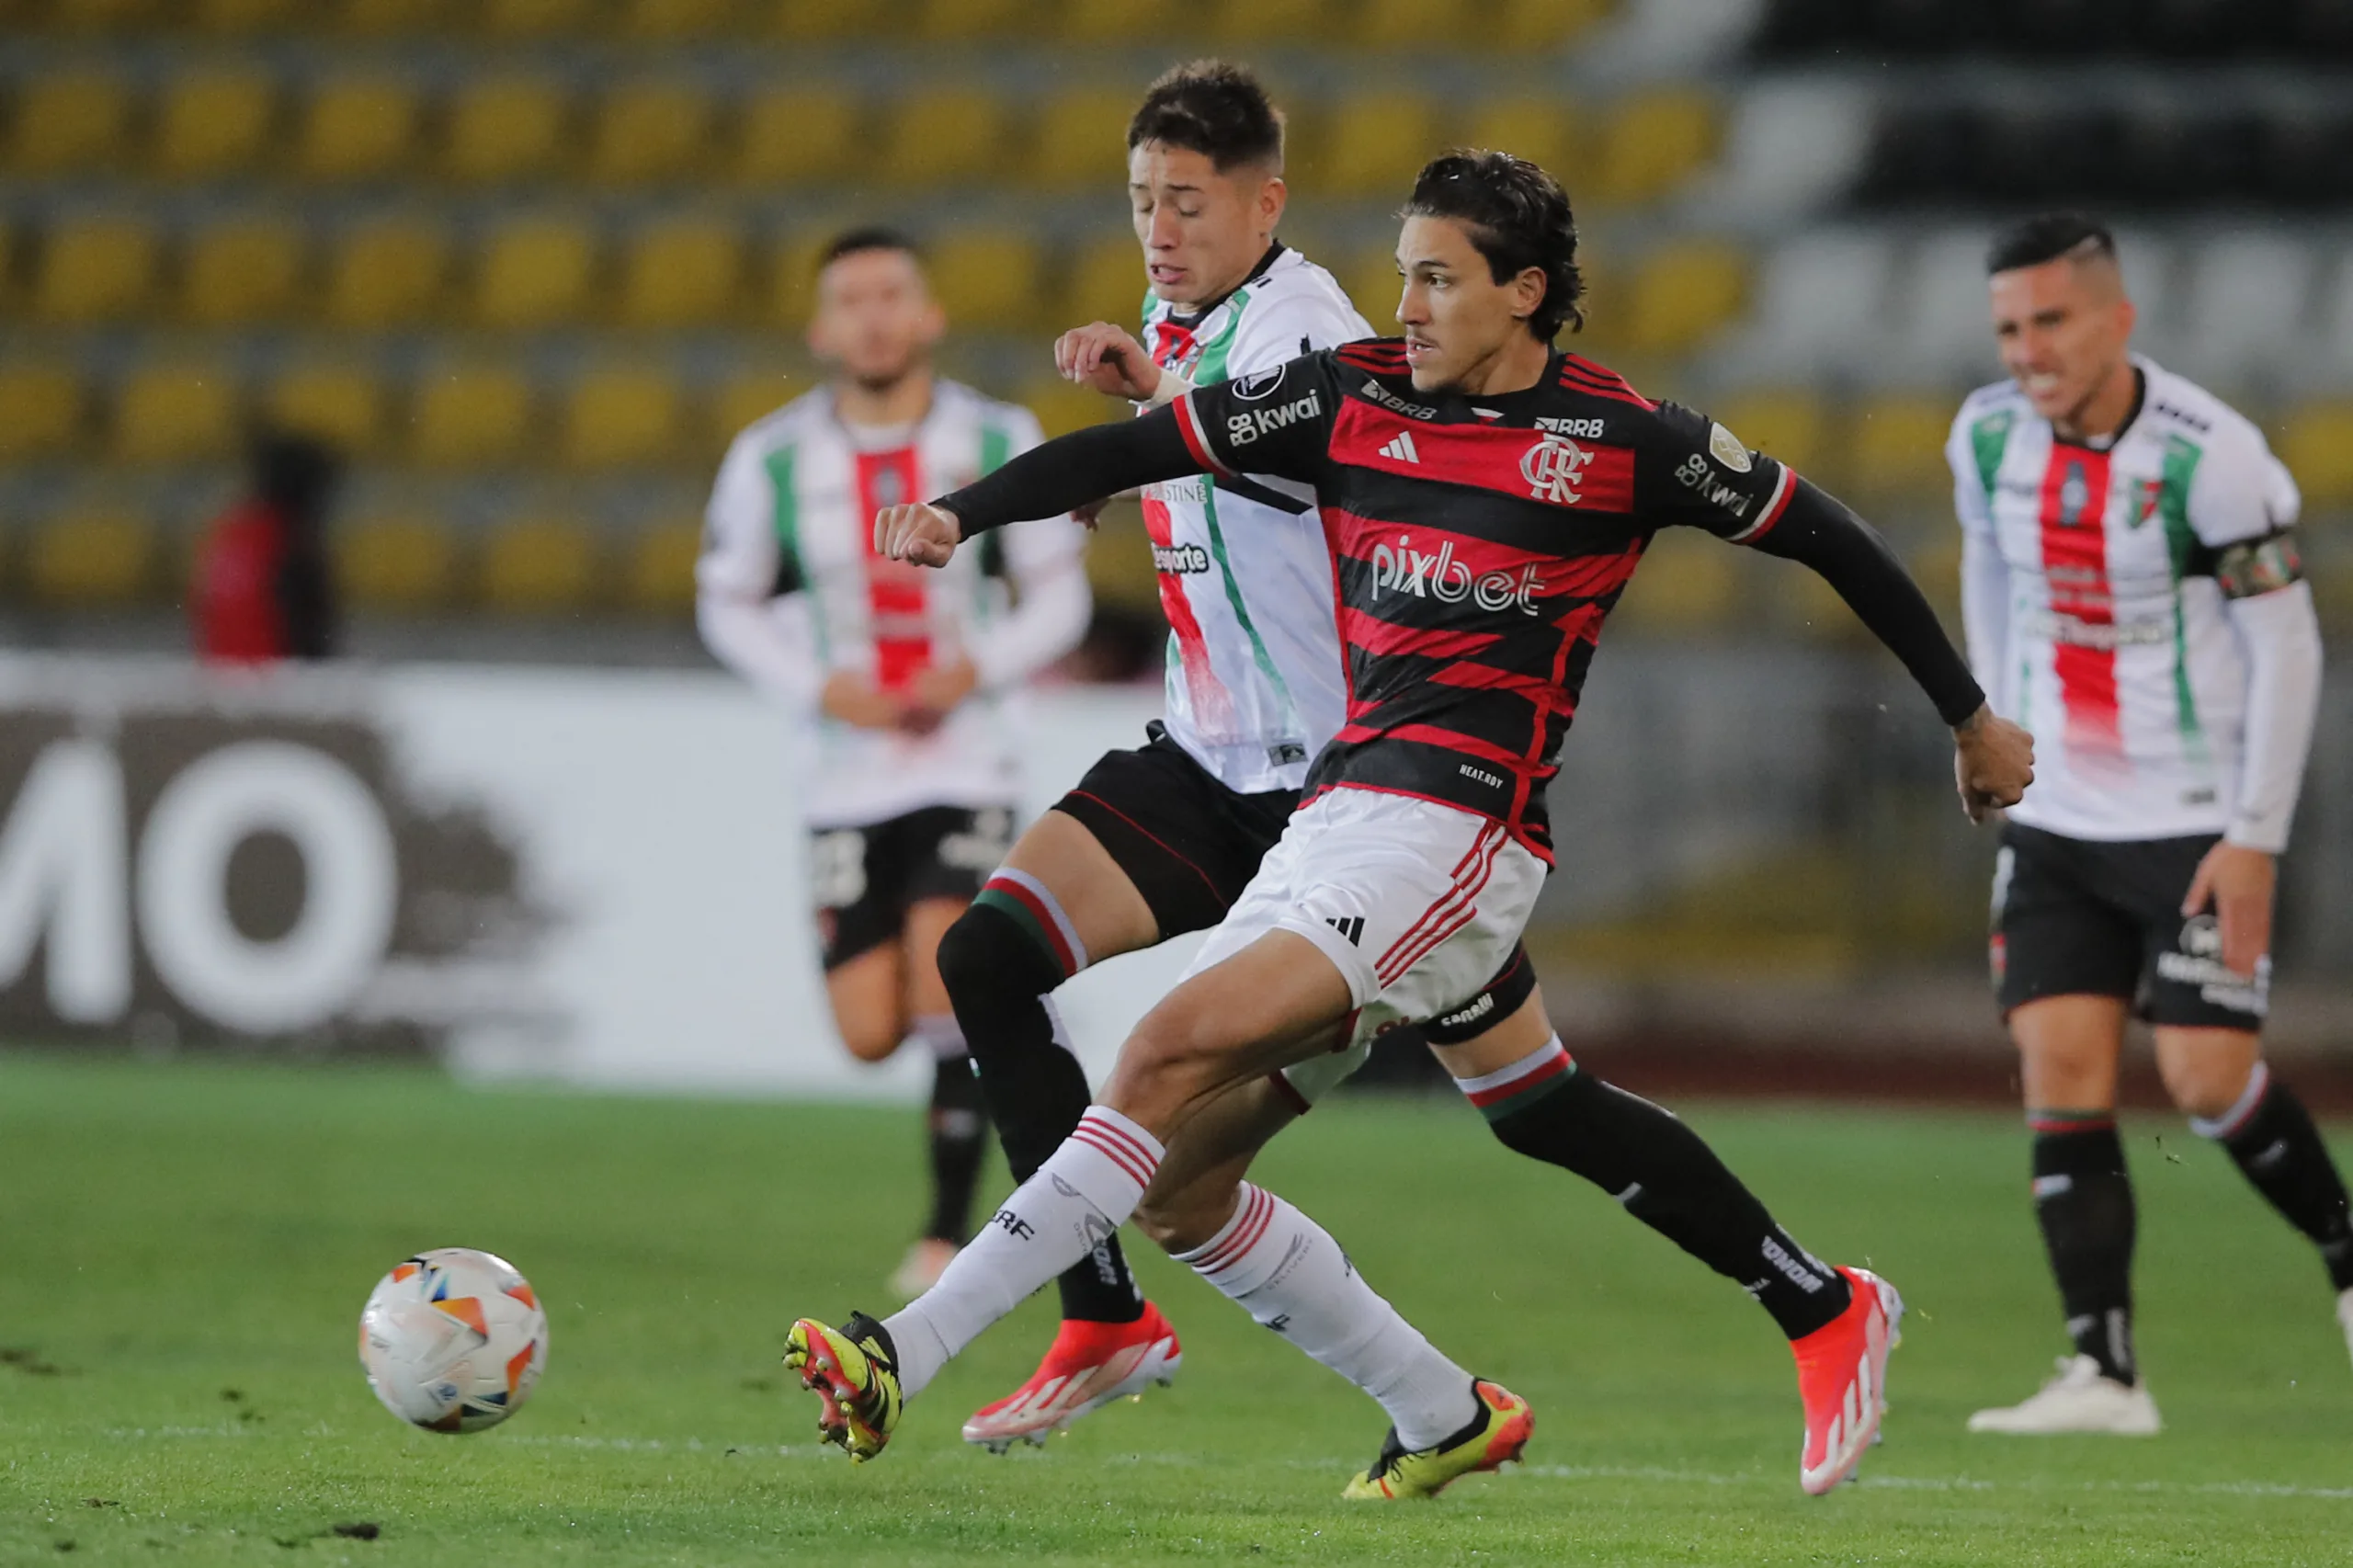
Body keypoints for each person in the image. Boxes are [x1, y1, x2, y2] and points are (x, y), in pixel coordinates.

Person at [786, 151, 2035, 1494]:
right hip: (1333, 824)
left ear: (1526, 292)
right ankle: (1486, 1397)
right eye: (1404, 277)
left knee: (1159, 1052)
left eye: (1439, 279)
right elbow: (1146, 444)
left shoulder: (1623, 442)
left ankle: (899, 1355)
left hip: (1460, 836)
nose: (1410, 306)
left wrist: (1971, 717)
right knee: (1221, 1174)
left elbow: (1828, 534)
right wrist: (963, 514)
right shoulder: (1353, 395)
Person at [1951, 214, 2339, 1437]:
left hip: (2194, 825)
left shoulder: (2213, 458)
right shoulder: (1988, 435)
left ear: (2117, 320)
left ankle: (2346, 1256)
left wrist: (2256, 837)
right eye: (2010, 326)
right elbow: (1992, 573)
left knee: (2207, 1076)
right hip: (2060, 821)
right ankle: (2104, 1374)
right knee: (2059, 1071)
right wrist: (1985, 722)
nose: (2028, 349)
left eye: (2051, 321)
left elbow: (2289, 647)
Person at [698, 227, 1091, 1298]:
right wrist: (816, 686)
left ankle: (946, 1233)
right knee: (872, 1029)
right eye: (851, 299)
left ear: (928, 316)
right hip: (841, 772)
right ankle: (1030, 1038)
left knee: (947, 976)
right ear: (823, 328)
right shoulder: (771, 458)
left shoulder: (996, 435)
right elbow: (724, 599)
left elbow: (1061, 592)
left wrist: (979, 668)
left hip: (965, 761)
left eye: (891, 294)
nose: (872, 314)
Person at [191, 430, 340, 665]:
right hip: (274, 686)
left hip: (222, 679)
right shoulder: (285, 542)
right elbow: (307, 634)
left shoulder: (230, 531)